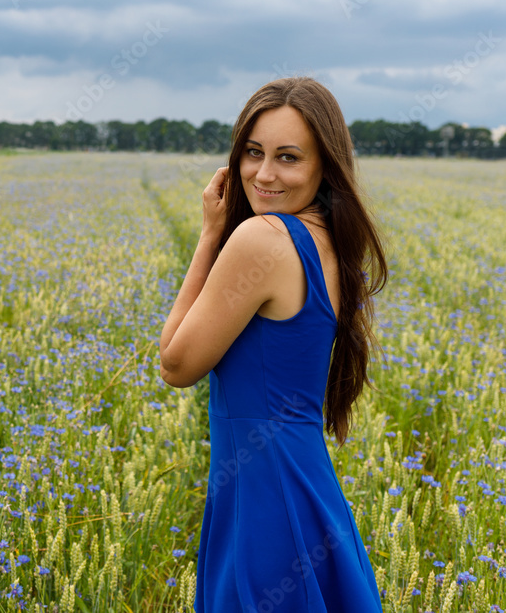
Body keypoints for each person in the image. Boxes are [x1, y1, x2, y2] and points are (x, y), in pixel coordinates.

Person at [159, 76, 388, 612]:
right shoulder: (328, 240)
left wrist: (211, 232)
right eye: (253, 153)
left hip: (265, 499)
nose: (263, 174)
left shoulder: (262, 239)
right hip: (308, 488)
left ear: (323, 168)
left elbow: (176, 364)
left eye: (288, 157)